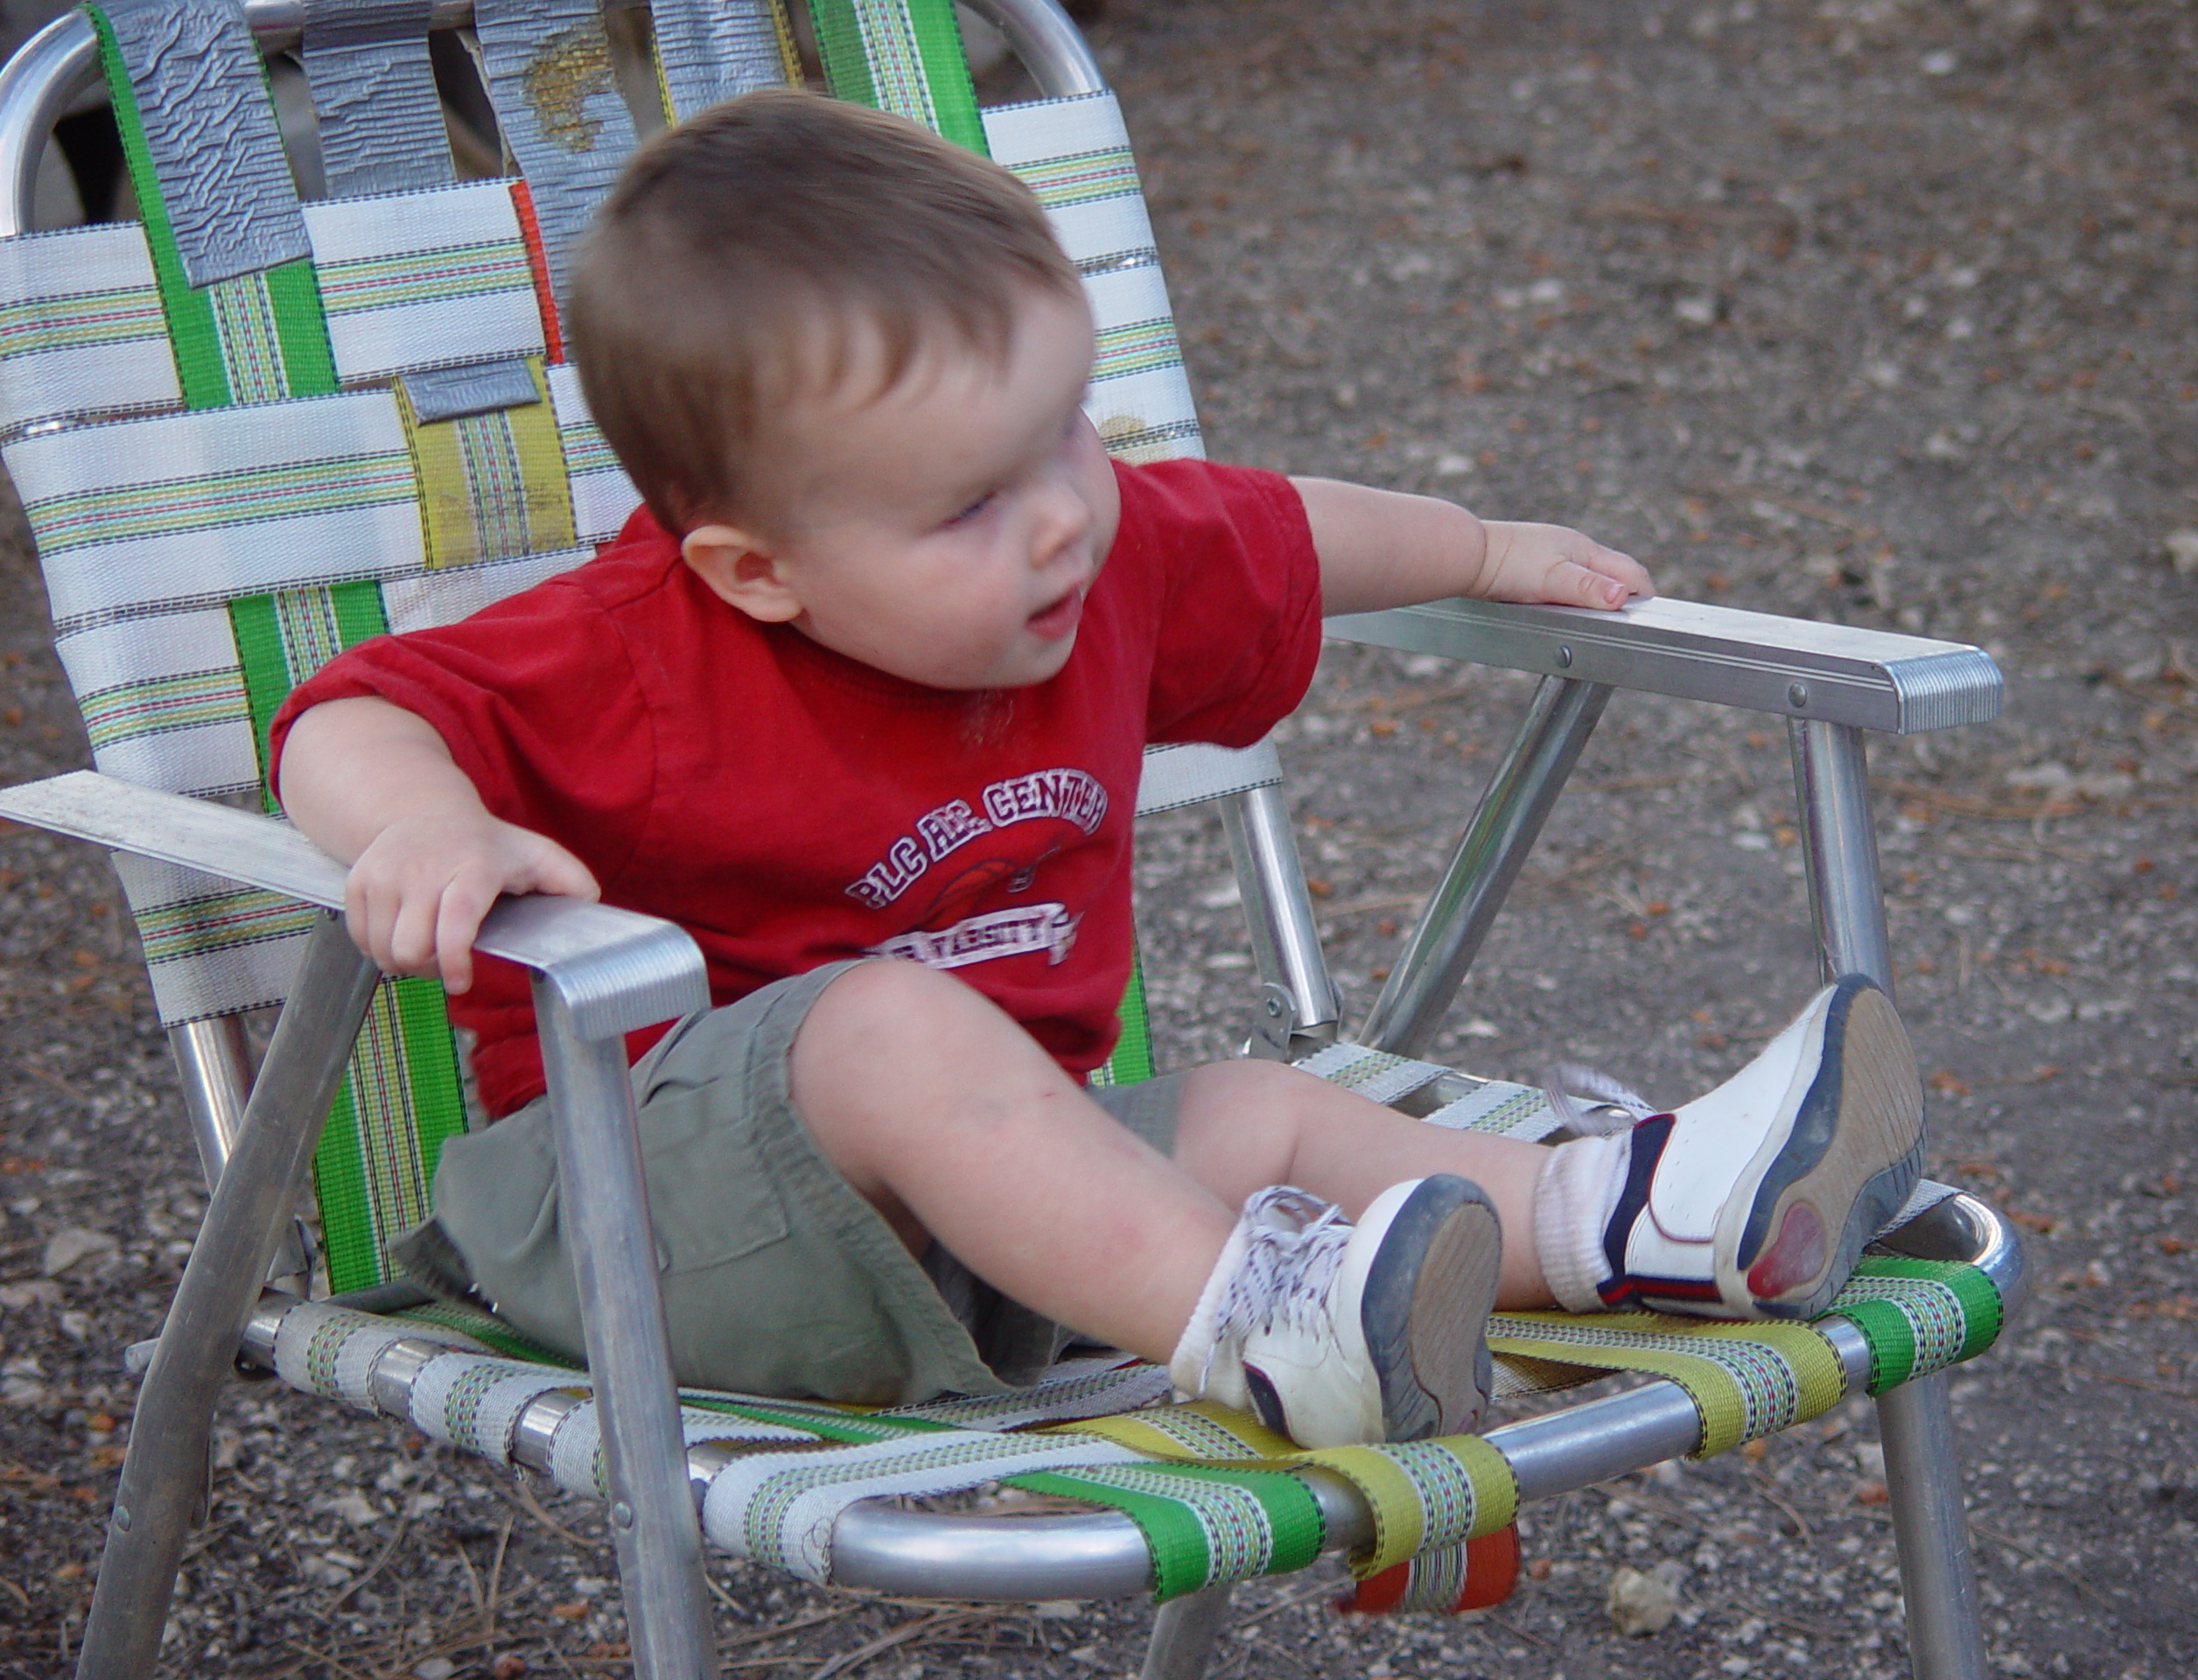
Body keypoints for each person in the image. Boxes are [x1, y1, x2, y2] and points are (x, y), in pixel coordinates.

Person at [271, 90, 1923, 1450]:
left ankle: (1637, 1225)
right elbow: (346, 715)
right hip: (645, 1239)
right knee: (887, 1027)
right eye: (971, 503)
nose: (1064, 510)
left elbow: (1279, 529)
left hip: (993, 1236)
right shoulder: (632, 653)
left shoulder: (1091, 548)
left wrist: (1484, 545)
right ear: (756, 570)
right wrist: (422, 822)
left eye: (1070, 429)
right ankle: (1282, 1340)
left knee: (1269, 1112)